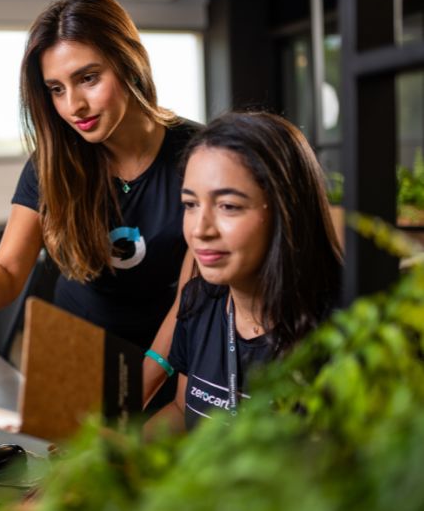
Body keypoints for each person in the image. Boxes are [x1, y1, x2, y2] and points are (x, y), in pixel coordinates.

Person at [0, 0, 200, 376]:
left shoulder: (200, 156)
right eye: (56, 89)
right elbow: (6, 272)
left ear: (130, 62)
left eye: (88, 78)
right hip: (72, 352)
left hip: (167, 356)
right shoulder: (52, 163)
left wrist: (142, 383)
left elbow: (192, 301)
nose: (73, 106)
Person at [145, 111, 343, 433]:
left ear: (286, 211)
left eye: (228, 206)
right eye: (190, 204)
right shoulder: (198, 303)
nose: (200, 229)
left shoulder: (340, 329)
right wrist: (104, 463)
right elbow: (182, 409)